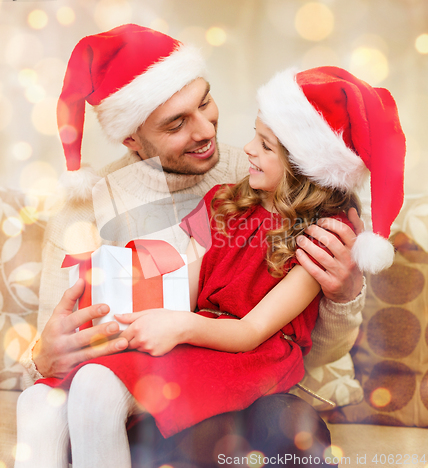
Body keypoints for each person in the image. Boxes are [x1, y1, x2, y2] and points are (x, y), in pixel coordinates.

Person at [18, 26, 372, 466]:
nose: (207, 130)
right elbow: (180, 274)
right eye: (176, 123)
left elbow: (297, 341)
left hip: (241, 373)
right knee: (47, 402)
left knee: (285, 429)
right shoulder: (89, 207)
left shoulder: (287, 189)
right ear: (132, 138)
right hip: (163, 357)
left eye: (204, 101)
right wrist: (47, 355)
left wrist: (344, 293)